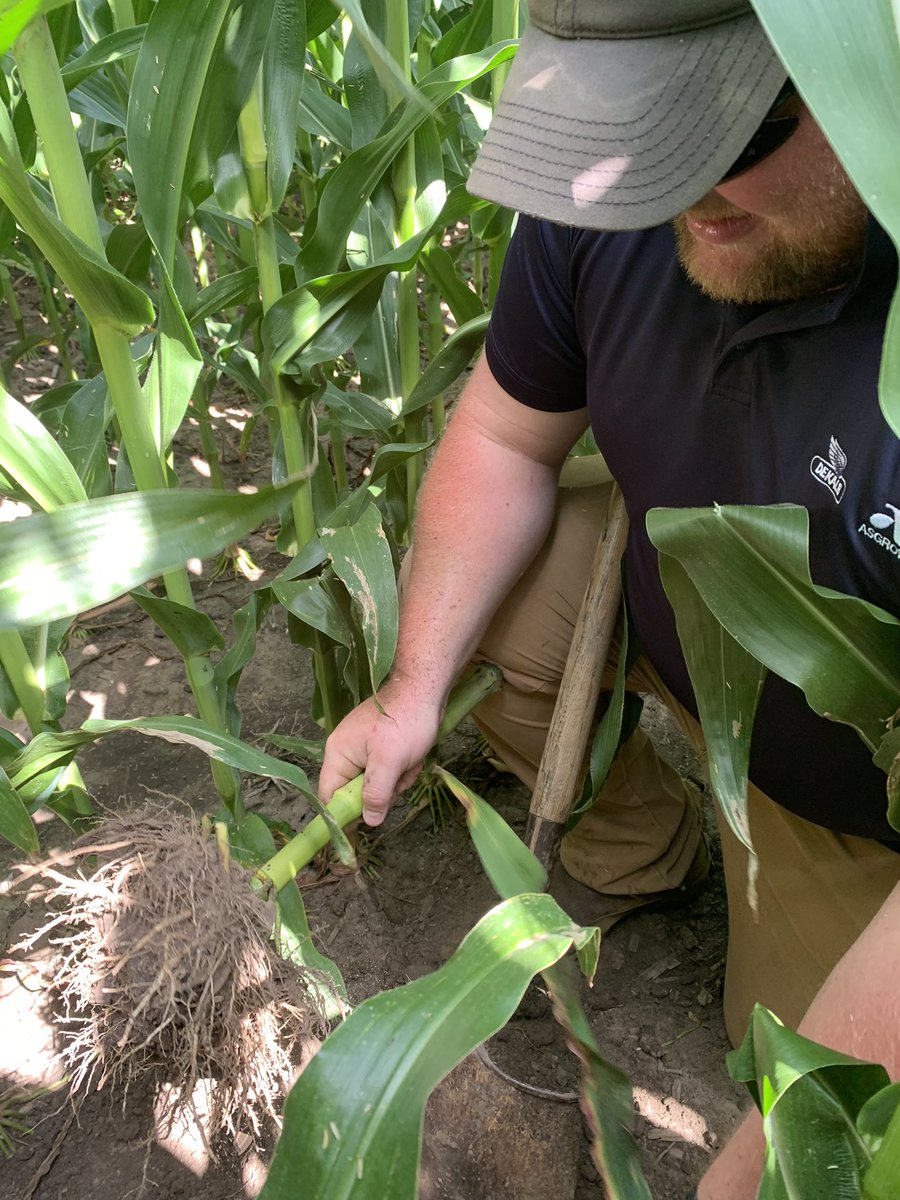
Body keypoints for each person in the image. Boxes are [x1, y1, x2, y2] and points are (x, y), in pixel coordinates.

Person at [319, 1, 900, 1195]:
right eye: (631, 130)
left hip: (871, 802)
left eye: (728, 132)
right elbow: (503, 433)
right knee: (494, 604)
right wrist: (412, 685)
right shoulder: (613, 190)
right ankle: (650, 844)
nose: (682, 193)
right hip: (700, 641)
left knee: (811, 1123)